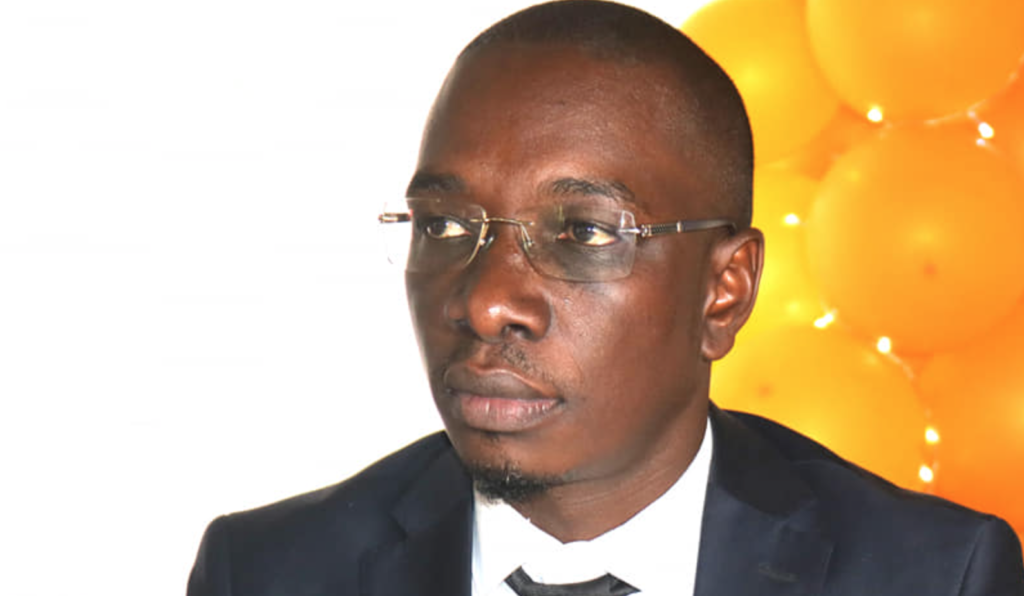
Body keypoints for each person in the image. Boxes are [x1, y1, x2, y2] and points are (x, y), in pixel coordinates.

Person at [187, 1, 1024, 594]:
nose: (485, 303)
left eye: (582, 233)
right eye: (444, 226)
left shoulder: (931, 576)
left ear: (724, 292)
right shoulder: (267, 573)